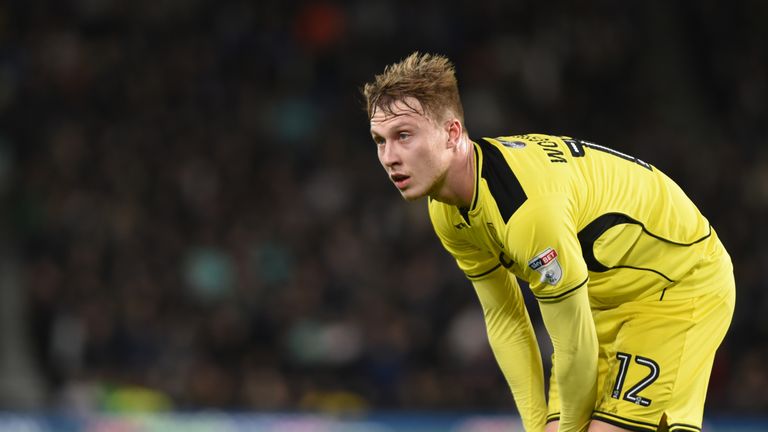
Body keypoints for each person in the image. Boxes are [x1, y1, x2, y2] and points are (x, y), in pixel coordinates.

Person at [362, 52, 735, 432]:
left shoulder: (527, 212)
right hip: (601, 302)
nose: (390, 157)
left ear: (452, 133)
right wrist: (534, 425)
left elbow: (575, 346)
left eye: (404, 135)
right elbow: (506, 319)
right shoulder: (446, 211)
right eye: (380, 140)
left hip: (678, 286)